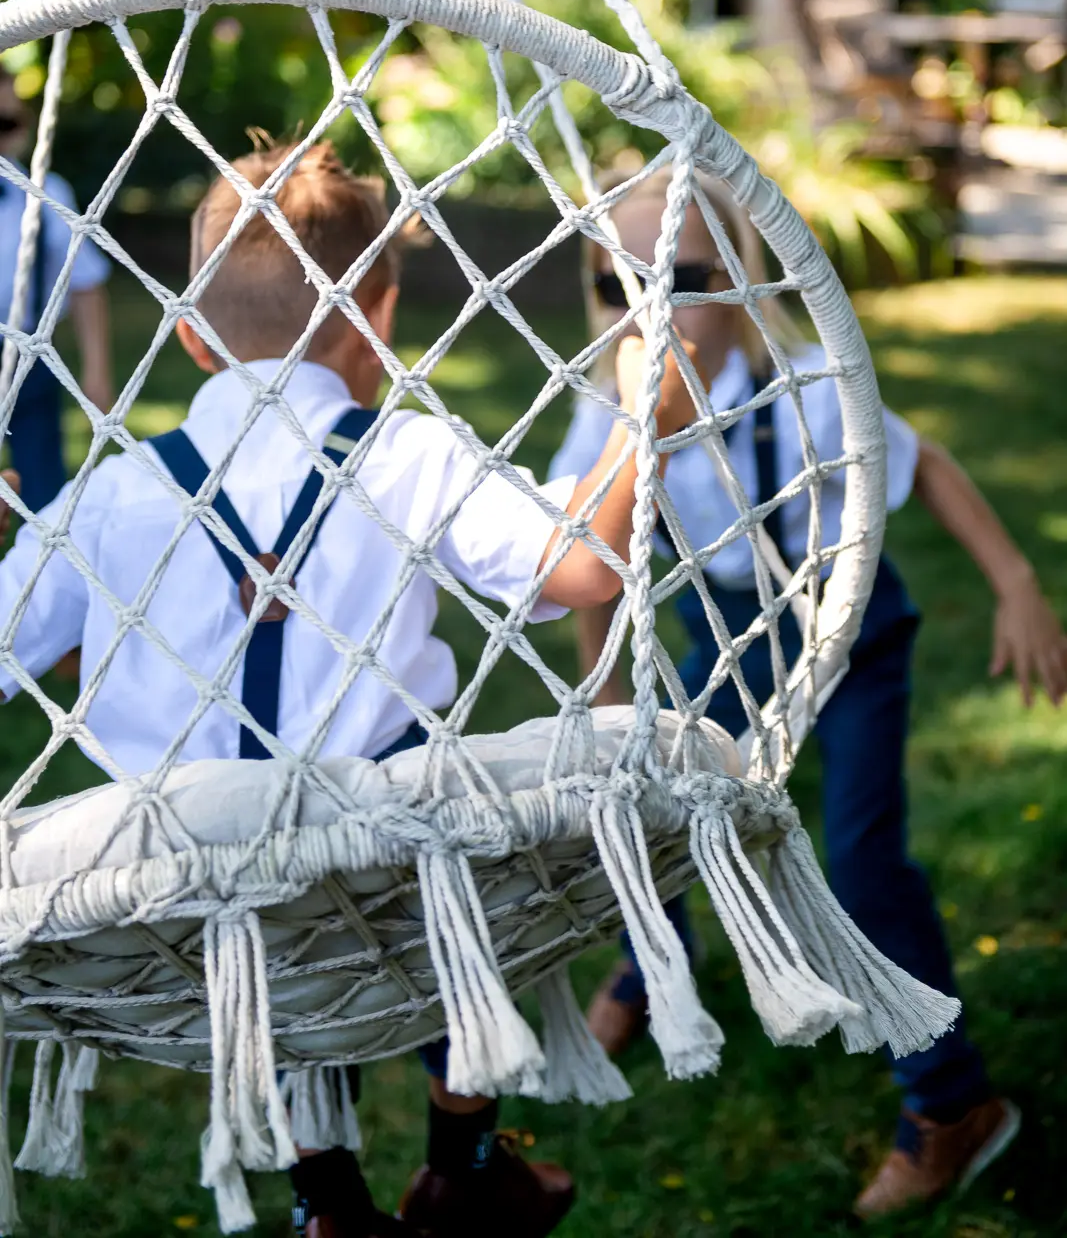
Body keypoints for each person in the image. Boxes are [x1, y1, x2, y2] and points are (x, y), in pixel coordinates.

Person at [0, 140, 698, 1238]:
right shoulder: (407, 455)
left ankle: (325, 1200)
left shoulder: (110, 495)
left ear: (188, 337)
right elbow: (578, 569)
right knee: (457, 854)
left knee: (276, 923)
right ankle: (463, 1161)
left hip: (187, 901)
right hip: (387, 874)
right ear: (378, 322)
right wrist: (639, 422)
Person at [548, 164, 1067, 1221]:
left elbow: (927, 466)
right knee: (638, 805)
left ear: (741, 276)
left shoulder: (808, 392)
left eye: (681, 277)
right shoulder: (607, 412)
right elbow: (586, 553)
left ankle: (950, 1103)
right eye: (618, 285)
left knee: (860, 865)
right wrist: (599, 683)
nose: (649, 308)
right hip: (732, 647)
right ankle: (652, 969)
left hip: (849, 639)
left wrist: (1015, 583)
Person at [0, 70, 113, 511]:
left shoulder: (46, 191)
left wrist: (96, 372)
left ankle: (41, 551)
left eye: (12, 121)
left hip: (28, 355)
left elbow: (85, 283)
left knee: (44, 494)